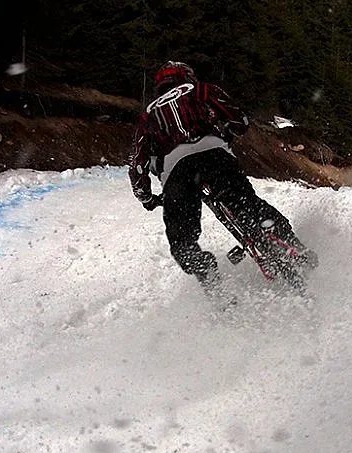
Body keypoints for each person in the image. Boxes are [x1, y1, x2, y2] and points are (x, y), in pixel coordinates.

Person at [129, 60, 313, 292]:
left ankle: (206, 273)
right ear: (187, 76)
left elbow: (137, 162)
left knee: (182, 240)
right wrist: (234, 127)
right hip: (214, 156)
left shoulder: (148, 114)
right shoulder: (200, 89)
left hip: (176, 171)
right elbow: (238, 119)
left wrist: (146, 196)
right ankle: (292, 244)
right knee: (248, 205)